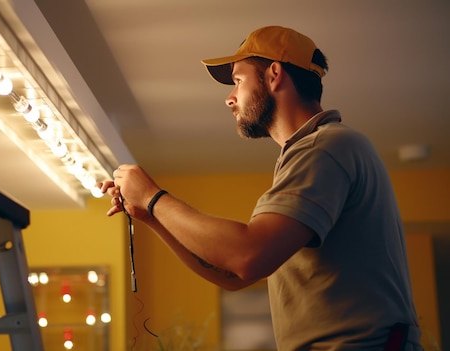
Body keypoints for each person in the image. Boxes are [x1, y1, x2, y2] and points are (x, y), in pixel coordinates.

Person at [98, 26, 422, 350]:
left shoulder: (325, 147)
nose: (229, 98)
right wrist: (152, 216)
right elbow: (235, 276)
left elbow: (247, 256)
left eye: (238, 81)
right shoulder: (313, 153)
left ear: (274, 75)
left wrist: (154, 198)